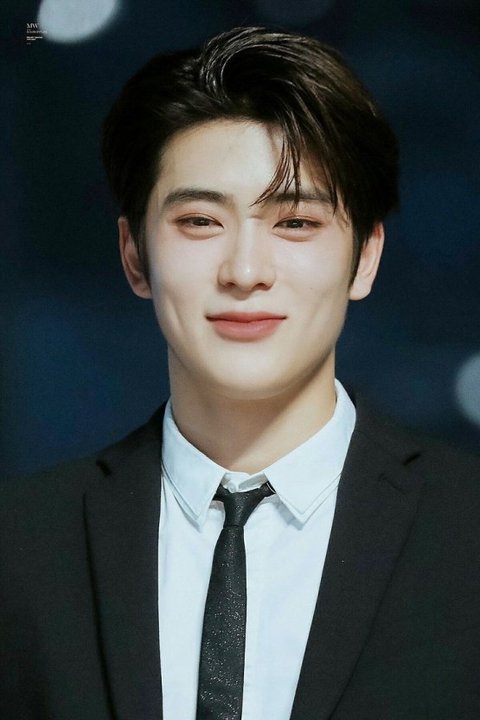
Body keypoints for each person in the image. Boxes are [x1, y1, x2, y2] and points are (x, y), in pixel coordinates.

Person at [1, 26, 479, 720]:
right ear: (134, 255)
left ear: (366, 257)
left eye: (296, 223)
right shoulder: (22, 546)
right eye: (200, 221)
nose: (246, 271)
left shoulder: (466, 530)